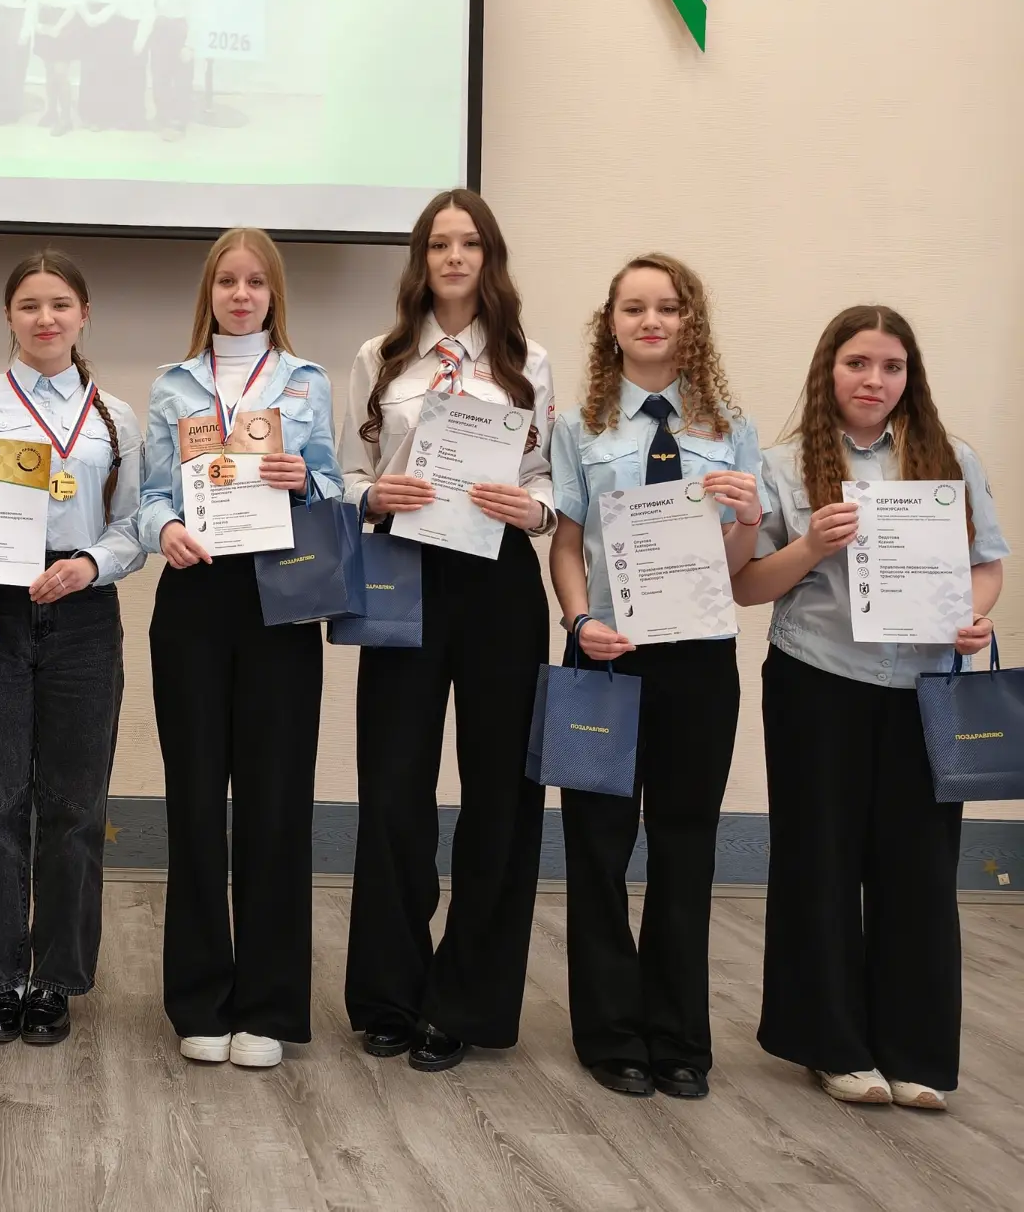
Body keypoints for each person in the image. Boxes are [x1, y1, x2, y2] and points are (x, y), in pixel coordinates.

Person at [733, 306, 1007, 1113]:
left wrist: (975, 616)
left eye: (891, 366)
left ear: (909, 377)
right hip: (818, 679)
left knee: (920, 869)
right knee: (818, 861)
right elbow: (747, 586)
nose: (874, 380)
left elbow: (985, 565)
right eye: (858, 363)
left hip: (925, 688)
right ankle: (832, 1047)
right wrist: (812, 545)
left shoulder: (951, 460)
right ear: (829, 369)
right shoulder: (783, 466)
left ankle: (914, 1053)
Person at [338, 188, 554, 1073]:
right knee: (394, 786)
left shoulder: (528, 360)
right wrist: (372, 495)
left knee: (501, 793)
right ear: (420, 260)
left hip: (499, 578)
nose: (454, 258)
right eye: (439, 244)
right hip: (403, 571)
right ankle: (389, 993)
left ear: (489, 257)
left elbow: (549, 479)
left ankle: (466, 1000)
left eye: (470, 244)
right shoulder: (381, 357)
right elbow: (346, 473)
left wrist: (535, 511)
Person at [547, 254, 764, 1100]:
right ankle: (609, 1033)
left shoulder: (730, 427)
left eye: (668, 308)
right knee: (597, 846)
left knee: (685, 845)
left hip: (699, 660)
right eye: (634, 307)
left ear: (689, 322)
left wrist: (747, 516)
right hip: (606, 653)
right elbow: (569, 543)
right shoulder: (582, 427)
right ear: (610, 323)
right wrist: (579, 621)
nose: (651, 321)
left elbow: (737, 564)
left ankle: (678, 1036)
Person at [0, 251, 144, 1047]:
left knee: (76, 805)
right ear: (8, 317)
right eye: (29, 306)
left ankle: (56, 979)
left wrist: (90, 565)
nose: (45, 319)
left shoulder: (116, 417)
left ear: (84, 315)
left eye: (60, 305)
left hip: (84, 610)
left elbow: (133, 525)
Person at [139, 227, 341, 1070]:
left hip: (280, 599)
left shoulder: (306, 381)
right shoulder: (173, 384)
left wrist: (307, 480)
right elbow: (149, 496)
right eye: (228, 281)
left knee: (275, 803)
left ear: (273, 294)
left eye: (256, 282)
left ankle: (269, 1004)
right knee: (194, 801)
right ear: (209, 293)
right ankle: (200, 999)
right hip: (195, 594)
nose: (242, 294)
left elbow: (335, 487)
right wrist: (166, 529)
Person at [33, 0, 85, 137]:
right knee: (49, 72)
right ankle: (51, 112)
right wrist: (38, 25)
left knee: (61, 73)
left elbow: (74, 6)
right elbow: (38, 1)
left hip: (65, 24)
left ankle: (66, 119)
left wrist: (58, 27)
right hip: (46, 21)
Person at [149, 0, 195, 140]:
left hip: (180, 30)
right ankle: (162, 116)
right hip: (160, 30)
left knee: (182, 80)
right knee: (159, 76)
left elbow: (196, 16)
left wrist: (189, 45)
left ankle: (179, 121)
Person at [76, 0, 120, 131]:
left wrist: (100, 18)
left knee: (105, 68)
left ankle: (102, 116)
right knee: (88, 67)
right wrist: (87, 16)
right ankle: (86, 114)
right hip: (87, 18)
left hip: (107, 20)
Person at [111, 0, 157, 130]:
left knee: (136, 78)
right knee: (121, 75)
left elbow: (148, 16)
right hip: (120, 30)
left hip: (136, 31)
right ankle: (122, 115)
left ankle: (136, 118)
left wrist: (139, 41)